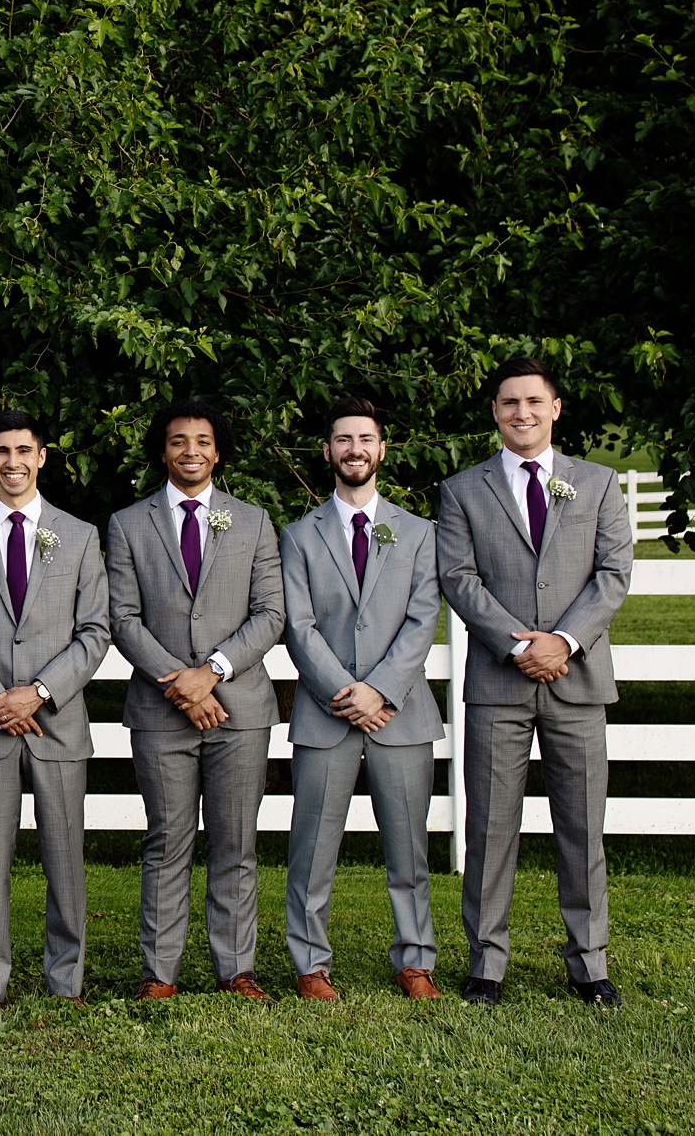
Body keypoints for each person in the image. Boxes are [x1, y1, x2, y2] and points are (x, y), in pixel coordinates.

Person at [437, 354, 631, 1007]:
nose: (522, 411)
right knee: (491, 829)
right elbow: (459, 578)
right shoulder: (463, 490)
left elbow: (612, 575)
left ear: (554, 408)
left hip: (578, 681)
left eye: (533, 400)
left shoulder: (599, 484)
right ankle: (485, 965)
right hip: (499, 681)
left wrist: (565, 642)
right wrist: (520, 644)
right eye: (509, 402)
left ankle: (589, 962)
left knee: (582, 827)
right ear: (495, 411)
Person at [106, 398, 284, 1001]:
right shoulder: (129, 525)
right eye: (179, 441)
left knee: (236, 841)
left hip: (240, 707)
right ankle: (160, 972)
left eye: (202, 441)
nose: (191, 451)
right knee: (167, 840)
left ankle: (236, 969)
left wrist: (211, 672)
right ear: (163, 451)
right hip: (161, 711)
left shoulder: (254, 521)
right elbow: (123, 619)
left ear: (217, 450)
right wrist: (179, 682)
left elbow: (270, 613)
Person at [0, 409, 110, 1009]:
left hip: (56, 724)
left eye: (24, 451)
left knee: (65, 860)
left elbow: (94, 633)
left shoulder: (80, 535)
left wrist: (37, 692)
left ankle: (67, 981)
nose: (13, 462)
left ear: (41, 457)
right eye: (2, 451)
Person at [279, 396, 444, 1002]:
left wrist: (379, 690)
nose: (355, 450)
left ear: (382, 449)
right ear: (328, 451)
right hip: (326, 715)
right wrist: (343, 692)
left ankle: (416, 958)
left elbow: (424, 618)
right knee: (312, 848)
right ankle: (310, 963)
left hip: (400, 713)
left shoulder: (420, 532)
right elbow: (298, 624)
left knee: (408, 849)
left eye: (365, 439)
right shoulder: (297, 537)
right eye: (343, 440)